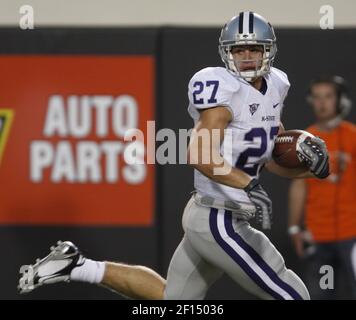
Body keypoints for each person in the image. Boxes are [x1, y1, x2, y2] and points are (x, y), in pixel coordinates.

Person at [18, 12, 329, 300]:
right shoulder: (224, 91)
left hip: (210, 215)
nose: (246, 57)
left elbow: (271, 156)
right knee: (292, 295)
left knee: (172, 299)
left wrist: (312, 169)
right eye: (238, 50)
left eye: (254, 49)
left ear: (268, 51)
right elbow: (198, 152)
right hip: (218, 219)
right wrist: (249, 186)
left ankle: (76, 265)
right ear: (227, 53)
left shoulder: (277, 85)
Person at [288, 75, 356, 299]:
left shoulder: (353, 136)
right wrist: (294, 227)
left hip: (352, 234)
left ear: (341, 101)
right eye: (317, 97)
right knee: (322, 295)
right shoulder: (303, 140)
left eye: (328, 96)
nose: (322, 103)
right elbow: (298, 186)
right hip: (318, 236)